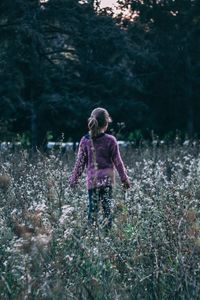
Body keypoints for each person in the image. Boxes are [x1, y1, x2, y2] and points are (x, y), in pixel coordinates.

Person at [69, 107, 130, 229]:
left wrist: (73, 180)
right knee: (108, 211)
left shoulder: (85, 140)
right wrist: (125, 179)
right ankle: (107, 236)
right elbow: (118, 162)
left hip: (93, 182)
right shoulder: (110, 140)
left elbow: (79, 164)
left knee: (93, 212)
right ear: (106, 123)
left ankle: (91, 236)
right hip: (107, 182)